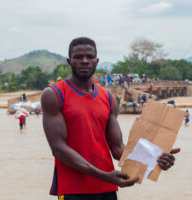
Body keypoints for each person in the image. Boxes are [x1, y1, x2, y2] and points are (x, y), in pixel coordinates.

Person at [41, 37, 179, 199]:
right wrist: (103, 175)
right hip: (74, 189)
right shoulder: (54, 94)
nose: (85, 61)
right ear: (69, 61)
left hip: (106, 188)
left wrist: (155, 158)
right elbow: (58, 148)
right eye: (78, 57)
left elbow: (118, 148)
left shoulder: (108, 98)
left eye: (90, 57)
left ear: (96, 61)